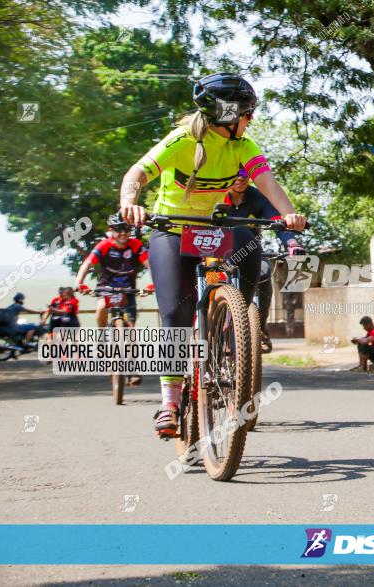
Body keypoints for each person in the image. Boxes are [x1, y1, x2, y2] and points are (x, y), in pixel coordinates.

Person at [117, 72, 306, 438]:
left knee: (251, 249)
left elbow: (267, 184)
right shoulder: (182, 141)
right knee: (177, 312)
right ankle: (170, 403)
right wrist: (130, 203)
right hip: (172, 229)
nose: (251, 119)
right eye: (248, 113)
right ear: (228, 115)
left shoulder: (243, 146)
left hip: (214, 229)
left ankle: (233, 324)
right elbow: (137, 173)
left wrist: (289, 215)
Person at [222, 167, 305, 352]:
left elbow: (277, 221)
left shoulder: (257, 197)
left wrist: (292, 242)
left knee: (265, 271)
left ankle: (259, 326)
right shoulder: (215, 196)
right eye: (234, 174)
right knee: (207, 279)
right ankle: (204, 328)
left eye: (245, 175)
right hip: (218, 255)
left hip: (251, 255)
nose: (240, 179)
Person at [75, 215, 150, 329]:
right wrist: (79, 283)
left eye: (127, 229)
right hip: (106, 287)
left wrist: (156, 284)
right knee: (101, 306)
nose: (123, 233)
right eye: (119, 230)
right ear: (111, 230)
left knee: (131, 329)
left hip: (128, 290)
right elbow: (88, 263)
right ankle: (102, 335)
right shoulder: (104, 245)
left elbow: (150, 264)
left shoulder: (136, 244)